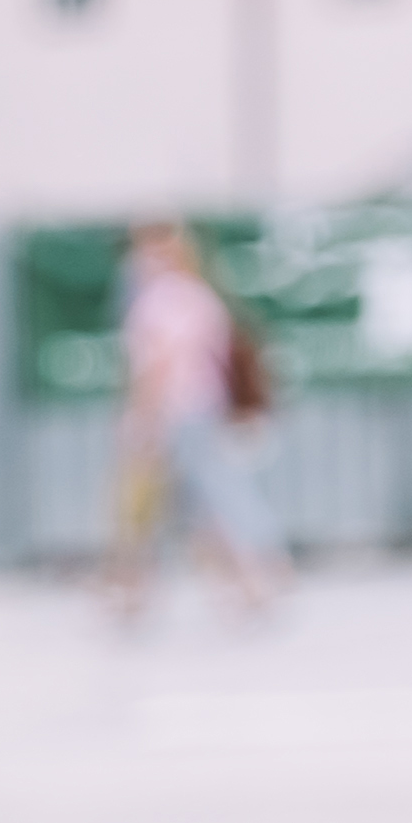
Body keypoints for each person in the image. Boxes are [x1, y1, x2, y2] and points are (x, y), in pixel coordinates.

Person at [105, 221, 285, 623]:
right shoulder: (198, 296)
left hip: (173, 415)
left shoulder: (161, 300)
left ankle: (130, 590)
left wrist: (144, 418)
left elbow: (160, 365)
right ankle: (248, 583)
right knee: (198, 501)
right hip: (202, 410)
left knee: (148, 502)